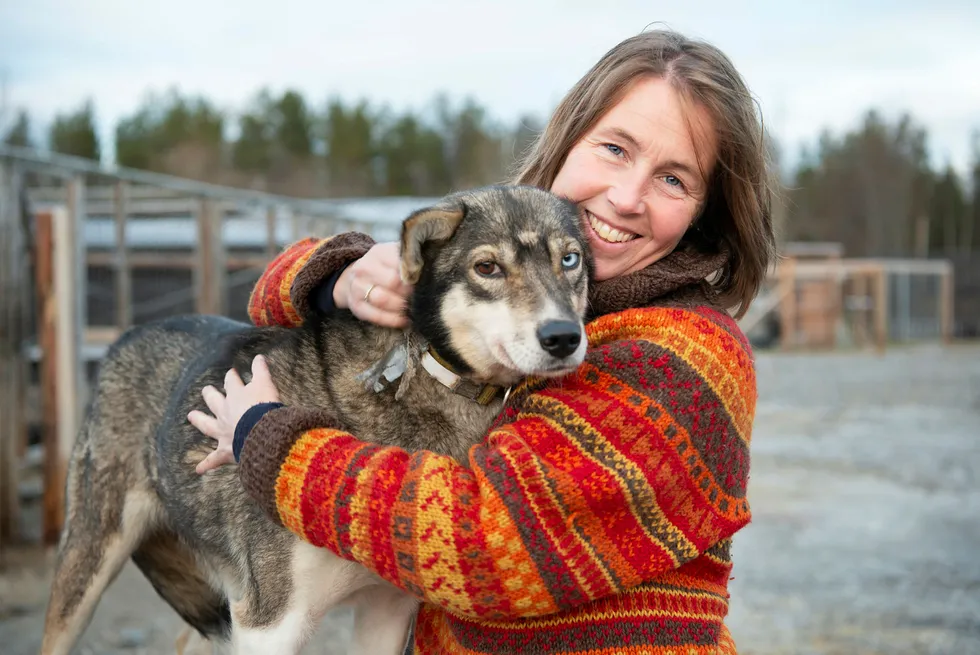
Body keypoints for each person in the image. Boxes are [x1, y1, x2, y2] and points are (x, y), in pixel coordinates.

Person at [189, 27, 777, 654]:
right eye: (614, 148)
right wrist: (342, 276)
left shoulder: (681, 355)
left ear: (703, 213)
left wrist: (273, 443)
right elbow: (268, 299)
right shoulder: (524, 289)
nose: (627, 197)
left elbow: (486, 546)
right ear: (566, 144)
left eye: (673, 181)